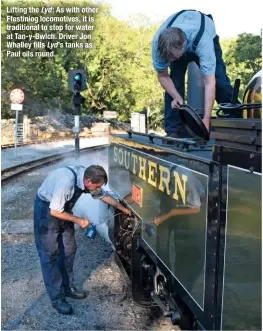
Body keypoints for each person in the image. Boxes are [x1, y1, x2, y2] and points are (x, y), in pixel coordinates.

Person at [34, 165, 131, 315]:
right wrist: (79, 221)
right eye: (96, 186)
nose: (98, 189)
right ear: (87, 180)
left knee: (69, 249)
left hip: (63, 209)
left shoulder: (88, 178)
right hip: (46, 210)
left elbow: (102, 195)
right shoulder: (66, 182)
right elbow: (54, 210)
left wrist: (122, 208)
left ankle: (68, 287)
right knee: (50, 255)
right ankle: (57, 298)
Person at [152, 9, 235, 137]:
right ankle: (173, 130)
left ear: (184, 47)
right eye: (170, 58)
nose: (172, 61)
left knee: (220, 82)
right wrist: (176, 97)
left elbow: (209, 82)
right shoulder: (159, 44)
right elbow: (163, 76)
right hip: (176, 38)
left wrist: (206, 120)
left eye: (174, 58)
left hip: (203, 34)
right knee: (175, 82)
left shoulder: (203, 41)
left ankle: (235, 122)